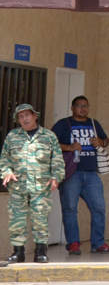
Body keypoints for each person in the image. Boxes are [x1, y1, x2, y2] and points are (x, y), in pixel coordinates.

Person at [51, 96, 109, 255]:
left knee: (99, 208)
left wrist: (101, 142)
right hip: (71, 173)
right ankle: (73, 243)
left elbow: (106, 139)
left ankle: (98, 243)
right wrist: (69, 147)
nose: (83, 109)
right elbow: (49, 143)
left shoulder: (94, 123)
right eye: (79, 106)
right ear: (72, 108)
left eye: (86, 106)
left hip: (91, 172)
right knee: (70, 208)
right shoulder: (63, 124)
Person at [2, 104, 65, 264]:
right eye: (21, 117)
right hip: (18, 186)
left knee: (40, 219)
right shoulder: (12, 136)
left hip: (40, 186)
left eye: (27, 115)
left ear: (35, 116)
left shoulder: (49, 137)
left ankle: (40, 251)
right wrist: (7, 172)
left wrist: (55, 177)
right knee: (17, 220)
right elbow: (5, 159)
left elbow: (57, 160)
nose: (24, 119)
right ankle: (18, 252)